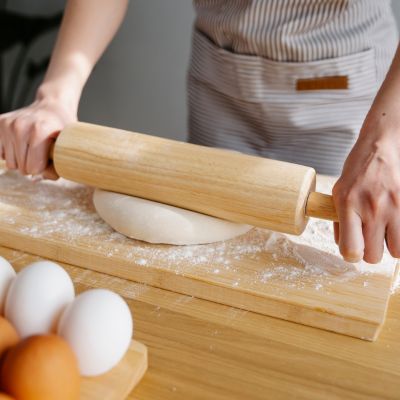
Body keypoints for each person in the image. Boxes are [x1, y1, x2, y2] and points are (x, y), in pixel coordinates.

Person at [0, 0, 399, 265]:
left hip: (346, 86)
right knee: (217, 247)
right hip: (221, 76)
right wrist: (57, 93)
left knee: (340, 242)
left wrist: (387, 139)